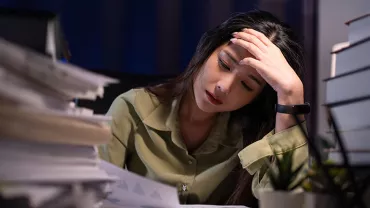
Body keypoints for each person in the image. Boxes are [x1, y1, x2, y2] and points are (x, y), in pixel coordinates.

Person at [99, 10, 309, 206]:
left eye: (247, 85)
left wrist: (291, 94)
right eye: (225, 64)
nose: (224, 87)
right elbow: (89, 195)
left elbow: (287, 203)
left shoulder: (253, 135)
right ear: (207, 49)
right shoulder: (130, 108)